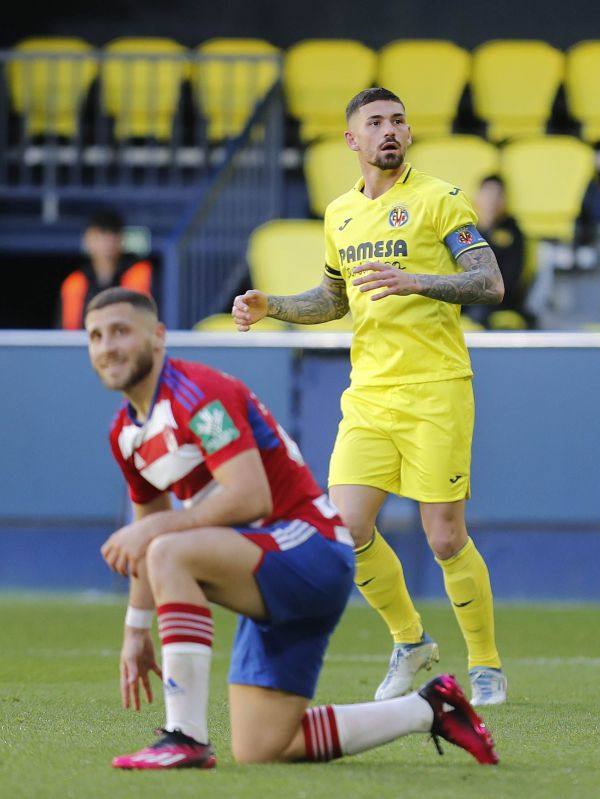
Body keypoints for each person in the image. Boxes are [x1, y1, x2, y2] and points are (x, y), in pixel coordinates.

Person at [87, 287, 498, 769]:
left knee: (168, 551)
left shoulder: (197, 394)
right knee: (264, 747)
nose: (108, 347)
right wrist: (136, 630)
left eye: (120, 331)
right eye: (95, 337)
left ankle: (185, 736)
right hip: (266, 566)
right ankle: (429, 709)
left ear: (158, 336)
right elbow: (147, 528)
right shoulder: (124, 432)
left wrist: (156, 530)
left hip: (310, 548)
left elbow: (249, 498)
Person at [233, 87, 508, 706]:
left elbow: (489, 282)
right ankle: (410, 642)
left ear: (408, 134)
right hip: (369, 395)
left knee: (444, 537)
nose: (389, 130)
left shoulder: (439, 199)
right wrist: (273, 305)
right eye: (375, 122)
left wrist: (417, 281)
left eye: (398, 121)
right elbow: (334, 299)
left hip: (436, 388)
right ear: (351, 140)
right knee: (346, 527)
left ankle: (486, 665)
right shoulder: (340, 214)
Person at [59, 210, 153, 330]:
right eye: (100, 236)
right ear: (87, 239)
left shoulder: (140, 273)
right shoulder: (75, 283)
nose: (106, 243)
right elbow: (66, 333)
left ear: (121, 239)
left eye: (112, 235)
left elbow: (146, 324)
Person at [464, 174, 531, 328]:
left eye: (497, 195)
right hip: (467, 298)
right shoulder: (466, 230)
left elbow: (512, 277)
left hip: (501, 300)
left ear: (505, 200)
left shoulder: (514, 232)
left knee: (479, 312)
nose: (492, 201)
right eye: (488, 194)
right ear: (477, 197)